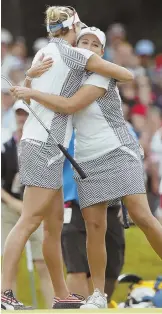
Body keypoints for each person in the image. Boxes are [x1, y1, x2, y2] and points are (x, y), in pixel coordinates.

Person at [13, 26, 162, 309]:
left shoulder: (102, 73)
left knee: (142, 216)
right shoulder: (67, 76)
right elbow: (37, 93)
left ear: (102, 53)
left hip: (118, 151)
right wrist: (30, 80)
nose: (90, 47)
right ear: (74, 48)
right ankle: (98, 295)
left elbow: (69, 106)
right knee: (95, 227)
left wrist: (30, 92)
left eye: (96, 44)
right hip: (87, 158)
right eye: (85, 42)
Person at [1, 100, 53, 309]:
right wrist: (13, 203)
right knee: (9, 265)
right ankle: (7, 305)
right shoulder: (6, 147)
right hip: (9, 208)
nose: (22, 119)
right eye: (19, 115)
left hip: (36, 209)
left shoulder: (41, 146)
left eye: (25, 114)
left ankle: (52, 308)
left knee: (43, 263)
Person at [62, 132, 125, 302]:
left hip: (110, 204)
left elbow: (129, 162)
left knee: (112, 268)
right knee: (77, 268)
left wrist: (129, 200)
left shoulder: (115, 125)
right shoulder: (67, 128)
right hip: (73, 203)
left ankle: (97, 304)